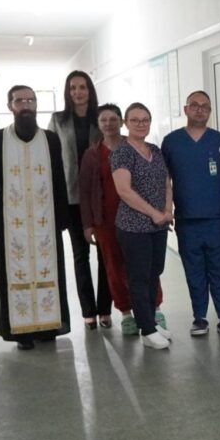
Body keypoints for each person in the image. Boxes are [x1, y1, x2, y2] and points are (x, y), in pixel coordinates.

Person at [0, 85, 71, 350]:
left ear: (36, 105)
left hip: (45, 222)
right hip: (12, 225)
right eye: (20, 100)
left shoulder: (50, 139)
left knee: (51, 272)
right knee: (13, 275)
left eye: (30, 100)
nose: (26, 105)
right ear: (10, 105)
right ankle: (21, 334)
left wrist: (62, 217)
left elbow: (59, 179)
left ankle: (48, 328)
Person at [79, 104, 166, 336]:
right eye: (103, 120)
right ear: (98, 125)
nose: (109, 124)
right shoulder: (93, 154)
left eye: (113, 119)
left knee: (146, 268)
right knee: (115, 267)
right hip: (107, 219)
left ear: (121, 121)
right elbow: (86, 190)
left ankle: (153, 311)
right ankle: (127, 312)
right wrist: (88, 224)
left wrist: (164, 211)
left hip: (143, 217)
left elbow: (162, 181)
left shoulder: (144, 148)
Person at [161, 91, 220, 338]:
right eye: (194, 105)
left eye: (205, 106)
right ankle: (200, 317)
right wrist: (167, 209)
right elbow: (165, 180)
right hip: (187, 219)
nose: (200, 110)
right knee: (194, 269)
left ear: (210, 111)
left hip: (216, 218)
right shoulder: (172, 142)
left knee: (219, 268)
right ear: (186, 109)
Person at [48, 70, 111, 330]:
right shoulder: (58, 120)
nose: (78, 92)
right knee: (80, 255)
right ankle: (89, 312)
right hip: (72, 196)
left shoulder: (101, 119)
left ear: (90, 90)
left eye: (82, 87)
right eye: (73, 87)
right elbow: (51, 157)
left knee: (106, 253)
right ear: (67, 91)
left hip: (101, 196)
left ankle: (105, 309)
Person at [110, 103, 174, 350]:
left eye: (145, 119)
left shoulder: (155, 151)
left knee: (153, 273)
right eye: (135, 120)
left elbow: (166, 182)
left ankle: (151, 322)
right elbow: (124, 191)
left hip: (158, 225)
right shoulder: (122, 152)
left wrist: (167, 211)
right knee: (138, 277)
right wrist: (154, 213)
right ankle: (146, 329)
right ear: (126, 123)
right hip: (134, 226)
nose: (141, 124)